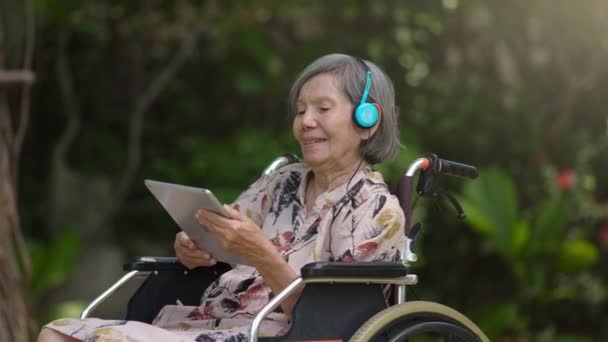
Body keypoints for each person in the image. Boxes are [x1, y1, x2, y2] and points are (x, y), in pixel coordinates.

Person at [38, 53, 405, 342]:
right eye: (300, 110)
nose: (305, 121)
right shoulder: (280, 184)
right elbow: (224, 229)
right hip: (210, 320)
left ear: (367, 120)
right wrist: (194, 246)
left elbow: (334, 318)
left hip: (274, 333)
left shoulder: (376, 210)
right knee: (57, 333)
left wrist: (261, 253)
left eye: (323, 109)